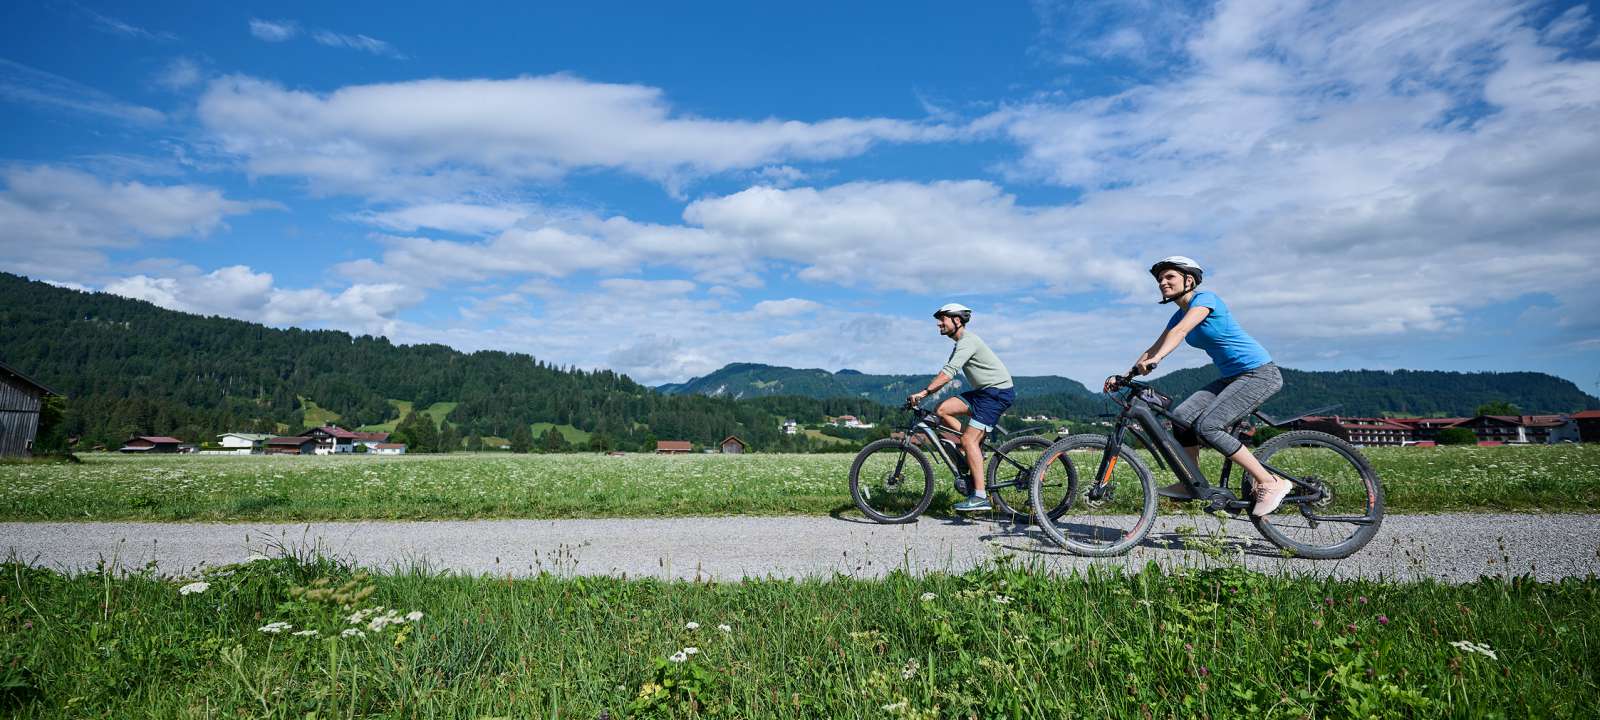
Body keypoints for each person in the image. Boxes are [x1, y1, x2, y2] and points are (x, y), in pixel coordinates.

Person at [1104, 256, 1292, 517]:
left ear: (1189, 280)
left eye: (1169, 276)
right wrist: (1124, 377)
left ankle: (1269, 482)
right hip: (1232, 377)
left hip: (1259, 374)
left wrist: (1158, 359)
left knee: (1208, 426)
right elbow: (1153, 348)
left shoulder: (1206, 300)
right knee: (1181, 418)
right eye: (1160, 279)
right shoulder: (1177, 315)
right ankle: (1190, 482)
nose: (1162, 282)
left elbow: (1180, 332)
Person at [907, 303, 1015, 512]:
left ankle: (980, 496)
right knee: (942, 409)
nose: (939, 324)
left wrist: (923, 393)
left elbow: (949, 373)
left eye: (942, 319)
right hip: (983, 393)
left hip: (996, 394)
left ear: (957, 320)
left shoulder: (967, 342)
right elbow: (946, 373)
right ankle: (972, 448)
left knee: (968, 440)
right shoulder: (961, 344)